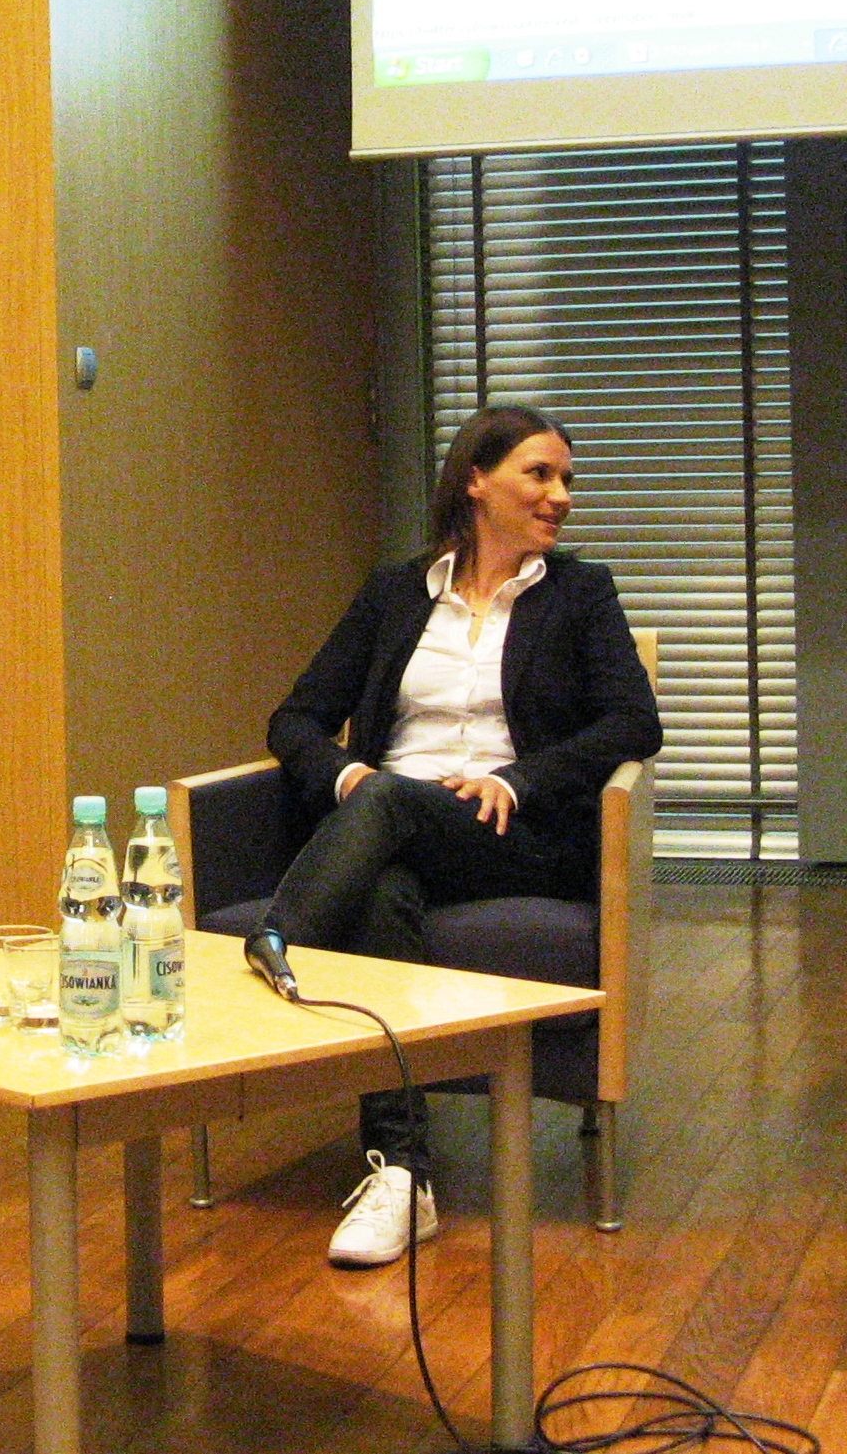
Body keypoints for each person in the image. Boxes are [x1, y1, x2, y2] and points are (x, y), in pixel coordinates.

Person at [262, 404, 663, 1266]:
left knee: (389, 807)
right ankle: (402, 1178)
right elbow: (294, 719)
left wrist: (516, 779)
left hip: (516, 835)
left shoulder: (580, 594)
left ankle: (274, 948)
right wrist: (346, 776)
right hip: (390, 827)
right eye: (538, 474)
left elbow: (633, 722)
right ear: (476, 481)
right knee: (381, 884)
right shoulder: (393, 593)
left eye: (565, 479)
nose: (560, 495)